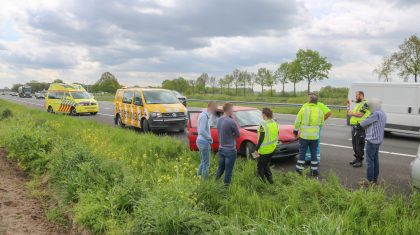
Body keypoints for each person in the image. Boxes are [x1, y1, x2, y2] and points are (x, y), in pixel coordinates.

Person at [294, 94, 324, 176]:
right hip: (314, 137)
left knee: (302, 152)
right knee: (314, 153)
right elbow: (321, 123)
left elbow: (297, 121)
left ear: (309, 101)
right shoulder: (320, 111)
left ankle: (299, 170)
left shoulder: (303, 110)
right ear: (316, 102)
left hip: (304, 136)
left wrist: (296, 131)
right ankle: (314, 170)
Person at [358, 98, 387, 185]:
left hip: (372, 140)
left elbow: (364, 123)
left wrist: (358, 125)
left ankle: (369, 181)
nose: (369, 107)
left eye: (370, 106)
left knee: (369, 161)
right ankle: (374, 179)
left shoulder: (375, 114)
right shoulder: (383, 113)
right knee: (375, 160)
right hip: (378, 141)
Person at [215, 103, 240, 186]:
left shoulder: (219, 120)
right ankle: (226, 188)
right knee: (228, 171)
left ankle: (215, 183)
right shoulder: (231, 121)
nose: (233, 111)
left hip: (221, 148)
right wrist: (232, 134)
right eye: (232, 109)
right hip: (230, 150)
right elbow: (238, 135)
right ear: (229, 110)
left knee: (221, 168)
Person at [303, 92, 331, 164]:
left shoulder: (320, 105)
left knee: (315, 142)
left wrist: (322, 120)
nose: (310, 98)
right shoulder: (305, 105)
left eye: (311, 97)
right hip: (308, 127)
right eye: (309, 97)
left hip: (316, 127)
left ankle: (316, 159)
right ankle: (308, 158)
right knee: (309, 143)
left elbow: (328, 113)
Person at [254, 108, 279, 184]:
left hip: (264, 150)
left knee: (260, 167)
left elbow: (261, 139)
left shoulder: (263, 125)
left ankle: (261, 182)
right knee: (266, 164)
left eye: (262, 114)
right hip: (272, 149)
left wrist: (256, 149)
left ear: (264, 114)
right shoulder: (274, 123)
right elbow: (277, 134)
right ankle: (270, 181)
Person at [348, 91, 370, 167]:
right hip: (354, 126)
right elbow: (355, 113)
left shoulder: (366, 104)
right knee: (354, 144)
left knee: (359, 144)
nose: (355, 97)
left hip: (360, 127)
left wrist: (351, 113)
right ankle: (356, 158)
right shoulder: (359, 104)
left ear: (361, 95)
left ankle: (359, 161)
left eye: (356, 96)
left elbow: (360, 114)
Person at [196, 101, 218, 179]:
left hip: (201, 141)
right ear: (210, 107)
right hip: (204, 142)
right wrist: (210, 139)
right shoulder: (204, 116)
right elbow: (201, 130)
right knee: (206, 163)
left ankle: (198, 177)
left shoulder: (203, 115)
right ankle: (205, 181)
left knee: (203, 161)